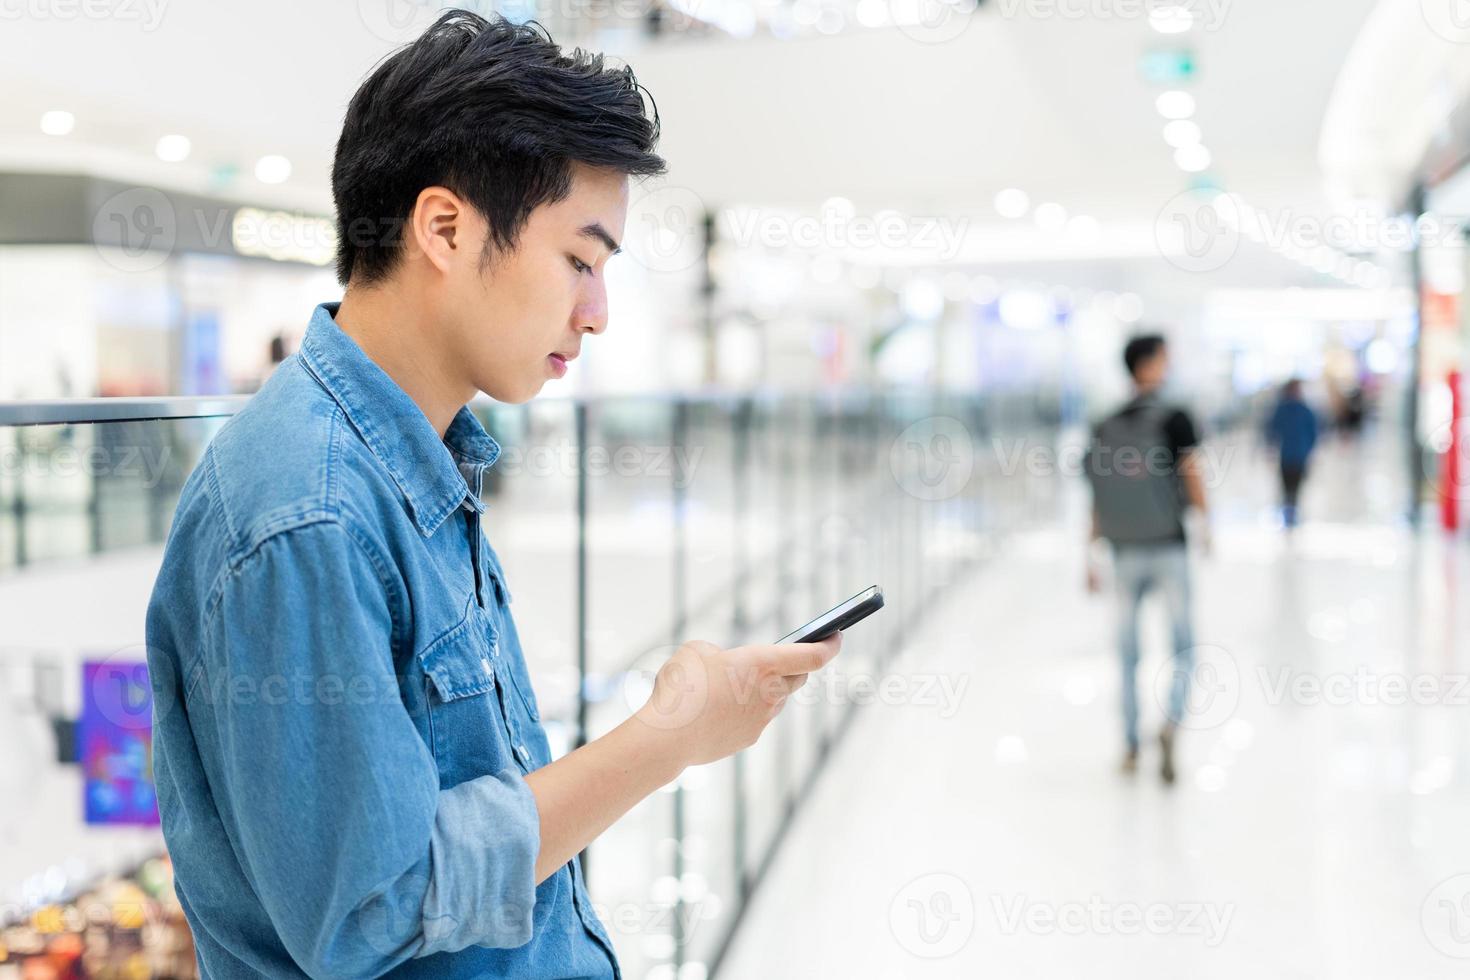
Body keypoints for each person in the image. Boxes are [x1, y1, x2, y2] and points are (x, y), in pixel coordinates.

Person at [144, 13, 841, 979]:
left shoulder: (414, 461)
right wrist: (666, 738)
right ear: (444, 228)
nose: (596, 313)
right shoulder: (308, 512)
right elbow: (374, 908)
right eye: (580, 261)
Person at [1084, 334, 1210, 785]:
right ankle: (1171, 722)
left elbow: (1096, 490)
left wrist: (1090, 552)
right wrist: (1206, 526)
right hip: (1168, 544)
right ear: (1149, 365)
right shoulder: (1175, 417)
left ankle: (1130, 745)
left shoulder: (1105, 423)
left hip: (1122, 548)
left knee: (1128, 651)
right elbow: (1191, 473)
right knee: (1182, 645)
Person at [1265, 379, 1318, 528]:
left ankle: (1293, 512)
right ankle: (1288, 513)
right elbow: (1271, 431)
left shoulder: (1305, 411)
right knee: (1286, 485)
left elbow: (1313, 433)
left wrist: (1310, 451)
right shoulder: (1282, 410)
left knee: (1297, 486)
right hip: (1286, 456)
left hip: (1300, 456)